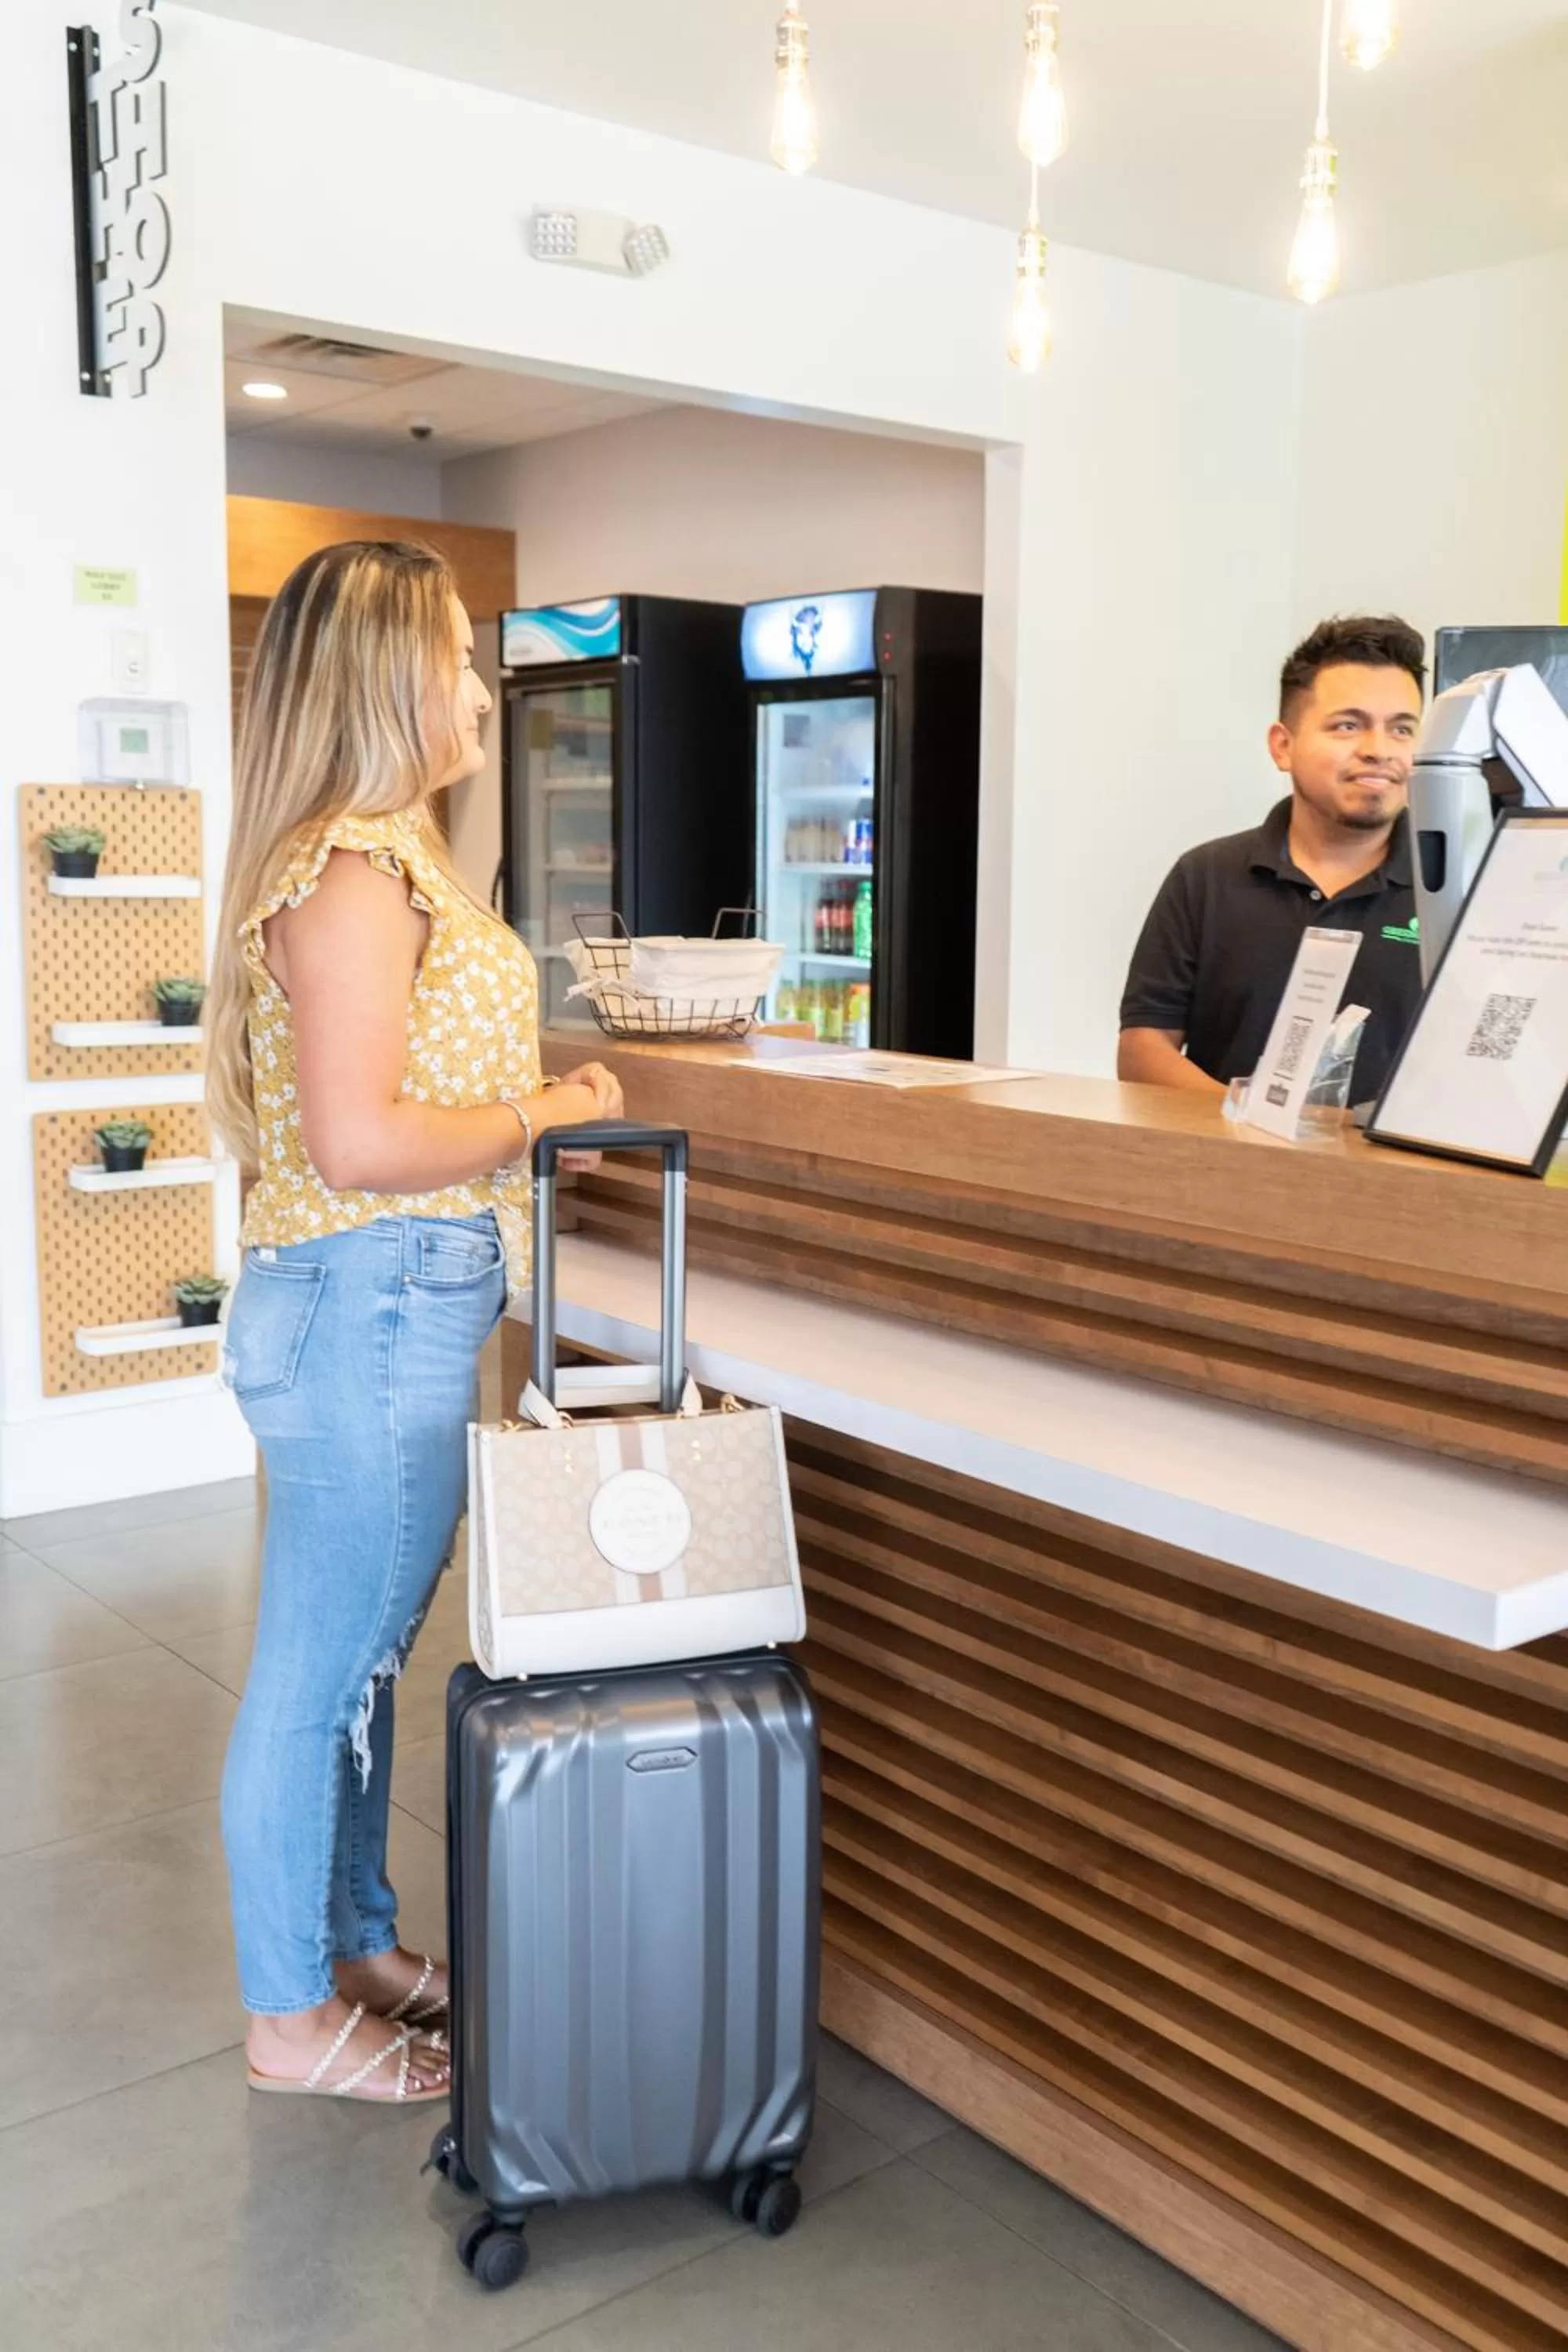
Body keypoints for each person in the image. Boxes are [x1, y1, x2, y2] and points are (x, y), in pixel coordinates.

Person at [207, 540, 622, 2104]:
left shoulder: (395, 853)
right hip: (369, 1305)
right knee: (320, 1672)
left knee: (365, 1658)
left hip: (390, 1308)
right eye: (454, 656)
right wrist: (547, 1109)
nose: (477, 683)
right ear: (386, 678)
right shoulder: (355, 874)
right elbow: (363, 1141)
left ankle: (355, 1946)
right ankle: (287, 2020)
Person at [1118, 614, 1427, 1102]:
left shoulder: (1457, 890)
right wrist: (1252, 1121)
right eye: (1348, 725)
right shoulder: (1205, 878)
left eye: (1402, 729)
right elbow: (1143, 1050)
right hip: (1225, 1170)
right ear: (1283, 746)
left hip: (1396, 1178)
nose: (1379, 750)